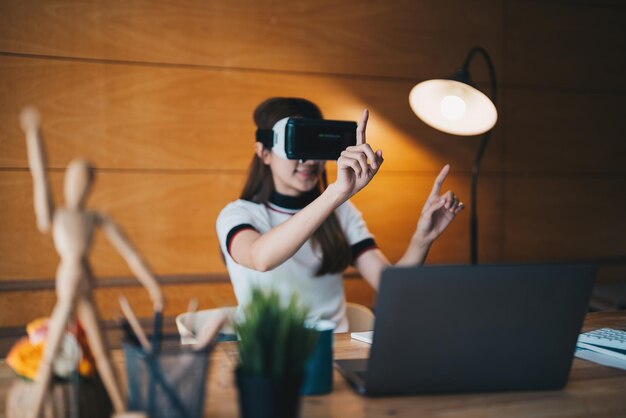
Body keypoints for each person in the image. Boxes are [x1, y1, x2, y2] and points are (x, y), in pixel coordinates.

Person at [216, 97, 464, 332]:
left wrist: (423, 238)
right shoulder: (237, 215)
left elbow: (392, 288)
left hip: (335, 351)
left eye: (317, 145)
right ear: (264, 152)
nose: (311, 159)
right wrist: (335, 194)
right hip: (272, 358)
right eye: (299, 144)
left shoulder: (341, 212)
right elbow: (260, 258)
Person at [20, 107, 162, 418]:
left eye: (87, 180)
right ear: (68, 180)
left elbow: (131, 253)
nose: (80, 185)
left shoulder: (95, 217)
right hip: (69, 284)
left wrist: (153, 286)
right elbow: (39, 176)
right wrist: (34, 134)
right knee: (51, 352)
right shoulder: (56, 216)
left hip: (85, 286)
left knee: (101, 351)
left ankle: (122, 409)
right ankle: (32, 412)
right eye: (76, 178)